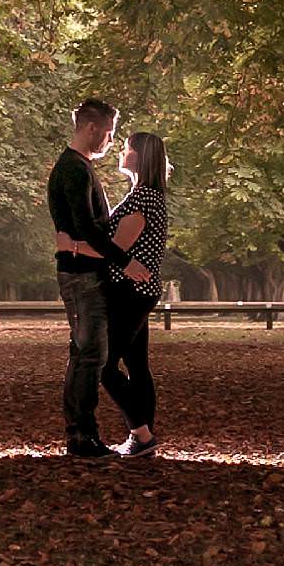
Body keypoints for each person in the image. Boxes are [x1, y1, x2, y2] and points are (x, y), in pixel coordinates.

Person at [47, 98, 146, 458]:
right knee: (90, 356)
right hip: (80, 276)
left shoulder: (80, 167)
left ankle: (81, 434)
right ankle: (81, 436)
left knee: (86, 354)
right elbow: (87, 226)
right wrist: (124, 260)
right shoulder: (73, 169)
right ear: (91, 128)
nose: (109, 141)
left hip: (86, 272)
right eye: (108, 133)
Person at [97, 131, 170, 456]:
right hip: (140, 290)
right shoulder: (147, 194)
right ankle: (143, 438)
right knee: (137, 365)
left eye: (126, 149)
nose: (121, 153)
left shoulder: (143, 199)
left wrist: (74, 245)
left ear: (139, 156)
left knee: (104, 364)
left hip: (129, 291)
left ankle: (140, 432)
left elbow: (117, 248)